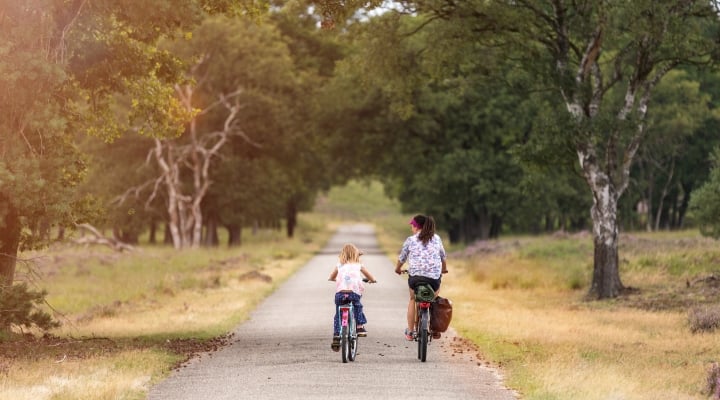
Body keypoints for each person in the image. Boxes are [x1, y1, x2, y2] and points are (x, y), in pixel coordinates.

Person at [395, 214, 448, 341]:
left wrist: (397, 269)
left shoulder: (411, 240)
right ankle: (435, 329)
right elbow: (443, 257)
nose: (411, 228)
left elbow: (402, 258)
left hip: (415, 278)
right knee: (434, 298)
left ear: (417, 226)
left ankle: (410, 331)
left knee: (413, 299)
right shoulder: (436, 238)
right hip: (433, 279)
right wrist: (443, 269)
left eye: (412, 225)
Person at [328, 243, 377, 352]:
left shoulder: (339, 265)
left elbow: (331, 277)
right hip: (353, 293)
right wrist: (372, 280)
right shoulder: (359, 265)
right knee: (357, 306)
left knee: (338, 314)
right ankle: (359, 326)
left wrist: (334, 279)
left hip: (340, 294)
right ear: (356, 255)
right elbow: (370, 277)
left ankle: (336, 335)